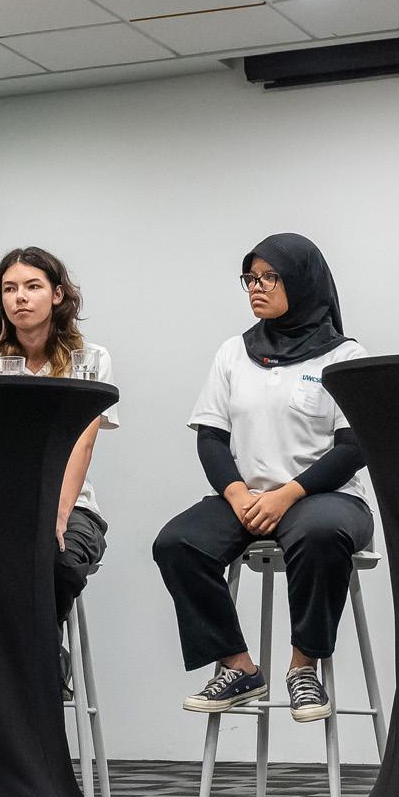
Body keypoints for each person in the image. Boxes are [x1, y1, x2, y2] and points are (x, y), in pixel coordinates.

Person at [152, 233, 372, 722]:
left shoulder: (344, 357)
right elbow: (211, 437)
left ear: (303, 281)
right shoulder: (234, 352)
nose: (256, 287)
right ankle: (238, 667)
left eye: (270, 277)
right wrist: (236, 494)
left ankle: (303, 668)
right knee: (177, 543)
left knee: (319, 534)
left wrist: (287, 495)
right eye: (250, 278)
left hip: (326, 496)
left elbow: (354, 447)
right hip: (246, 496)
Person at [0, 246, 117, 628]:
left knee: (58, 562)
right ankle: (31, 661)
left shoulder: (89, 358)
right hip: (5, 507)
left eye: (32, 286)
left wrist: (57, 515)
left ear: (57, 294)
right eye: (9, 289)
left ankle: (41, 660)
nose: (20, 297)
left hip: (73, 508)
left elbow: (82, 444)